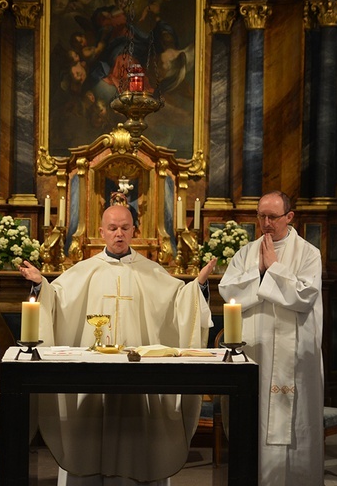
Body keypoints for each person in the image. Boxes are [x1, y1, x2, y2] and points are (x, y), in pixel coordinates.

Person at [19, 204, 216, 486]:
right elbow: (57, 303)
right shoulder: (82, 272)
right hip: (93, 379)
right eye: (112, 228)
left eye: (125, 228)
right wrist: (41, 285)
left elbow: (179, 303)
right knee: (90, 436)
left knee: (136, 435)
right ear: (101, 232)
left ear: (134, 231)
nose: (119, 234)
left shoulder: (152, 272)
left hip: (138, 378)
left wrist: (198, 287)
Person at [218, 191, 324, 485]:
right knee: (256, 417)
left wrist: (273, 269)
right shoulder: (245, 253)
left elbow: (304, 296)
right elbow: (228, 291)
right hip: (257, 351)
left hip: (295, 355)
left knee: (294, 422)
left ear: (289, 217)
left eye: (272, 217)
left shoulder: (308, 253)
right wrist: (260, 271)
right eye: (261, 216)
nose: (266, 223)